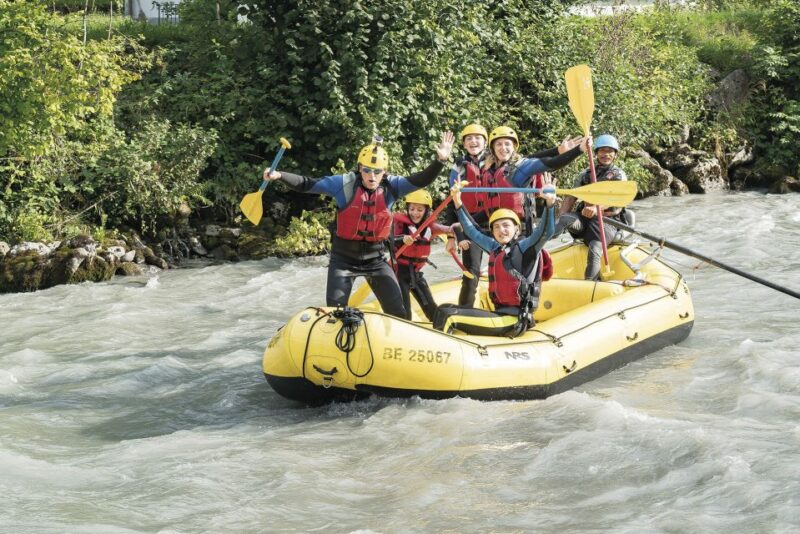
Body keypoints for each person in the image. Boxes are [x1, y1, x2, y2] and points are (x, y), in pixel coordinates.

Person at [263, 132, 455, 318]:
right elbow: (306, 183)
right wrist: (279, 175)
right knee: (336, 314)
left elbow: (421, 180)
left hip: (376, 259)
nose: (372, 176)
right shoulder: (343, 184)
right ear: (359, 168)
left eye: (377, 171)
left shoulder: (392, 187)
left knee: (399, 313)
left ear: (384, 172)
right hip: (343, 259)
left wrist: (440, 161)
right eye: (367, 170)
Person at [445, 125, 588, 307]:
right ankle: (472, 311)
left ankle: (525, 312)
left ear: (514, 147)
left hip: (518, 233)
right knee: (480, 274)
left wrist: (579, 150)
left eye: (507, 144)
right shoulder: (487, 170)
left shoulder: (521, 168)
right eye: (499, 145)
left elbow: (549, 163)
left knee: (521, 277)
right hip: (493, 229)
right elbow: (485, 207)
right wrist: (460, 227)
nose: (503, 148)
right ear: (492, 148)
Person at [432, 176, 558, 338]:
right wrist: (458, 203)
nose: (501, 230)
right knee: (443, 307)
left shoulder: (525, 248)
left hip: (513, 320)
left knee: (447, 315)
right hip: (499, 315)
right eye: (496, 227)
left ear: (516, 230)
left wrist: (550, 204)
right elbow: (472, 231)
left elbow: (545, 232)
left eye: (506, 225)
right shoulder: (495, 248)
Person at [553, 134, 628, 281]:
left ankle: (590, 282)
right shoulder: (585, 175)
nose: (606, 154)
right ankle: (537, 247)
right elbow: (571, 197)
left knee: (595, 248)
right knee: (564, 219)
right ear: (596, 153)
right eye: (602, 151)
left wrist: (596, 208)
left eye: (610, 151)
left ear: (615, 155)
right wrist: (559, 216)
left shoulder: (619, 175)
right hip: (585, 219)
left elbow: (618, 202)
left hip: (608, 222)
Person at [392, 189, 453, 321]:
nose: (415, 213)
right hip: (399, 274)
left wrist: (452, 239)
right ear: (407, 208)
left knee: (432, 309)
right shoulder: (399, 224)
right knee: (405, 314)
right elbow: (387, 239)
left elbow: (450, 229)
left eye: (420, 210)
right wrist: (402, 239)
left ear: (426, 211)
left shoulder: (430, 227)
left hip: (416, 273)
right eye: (412, 209)